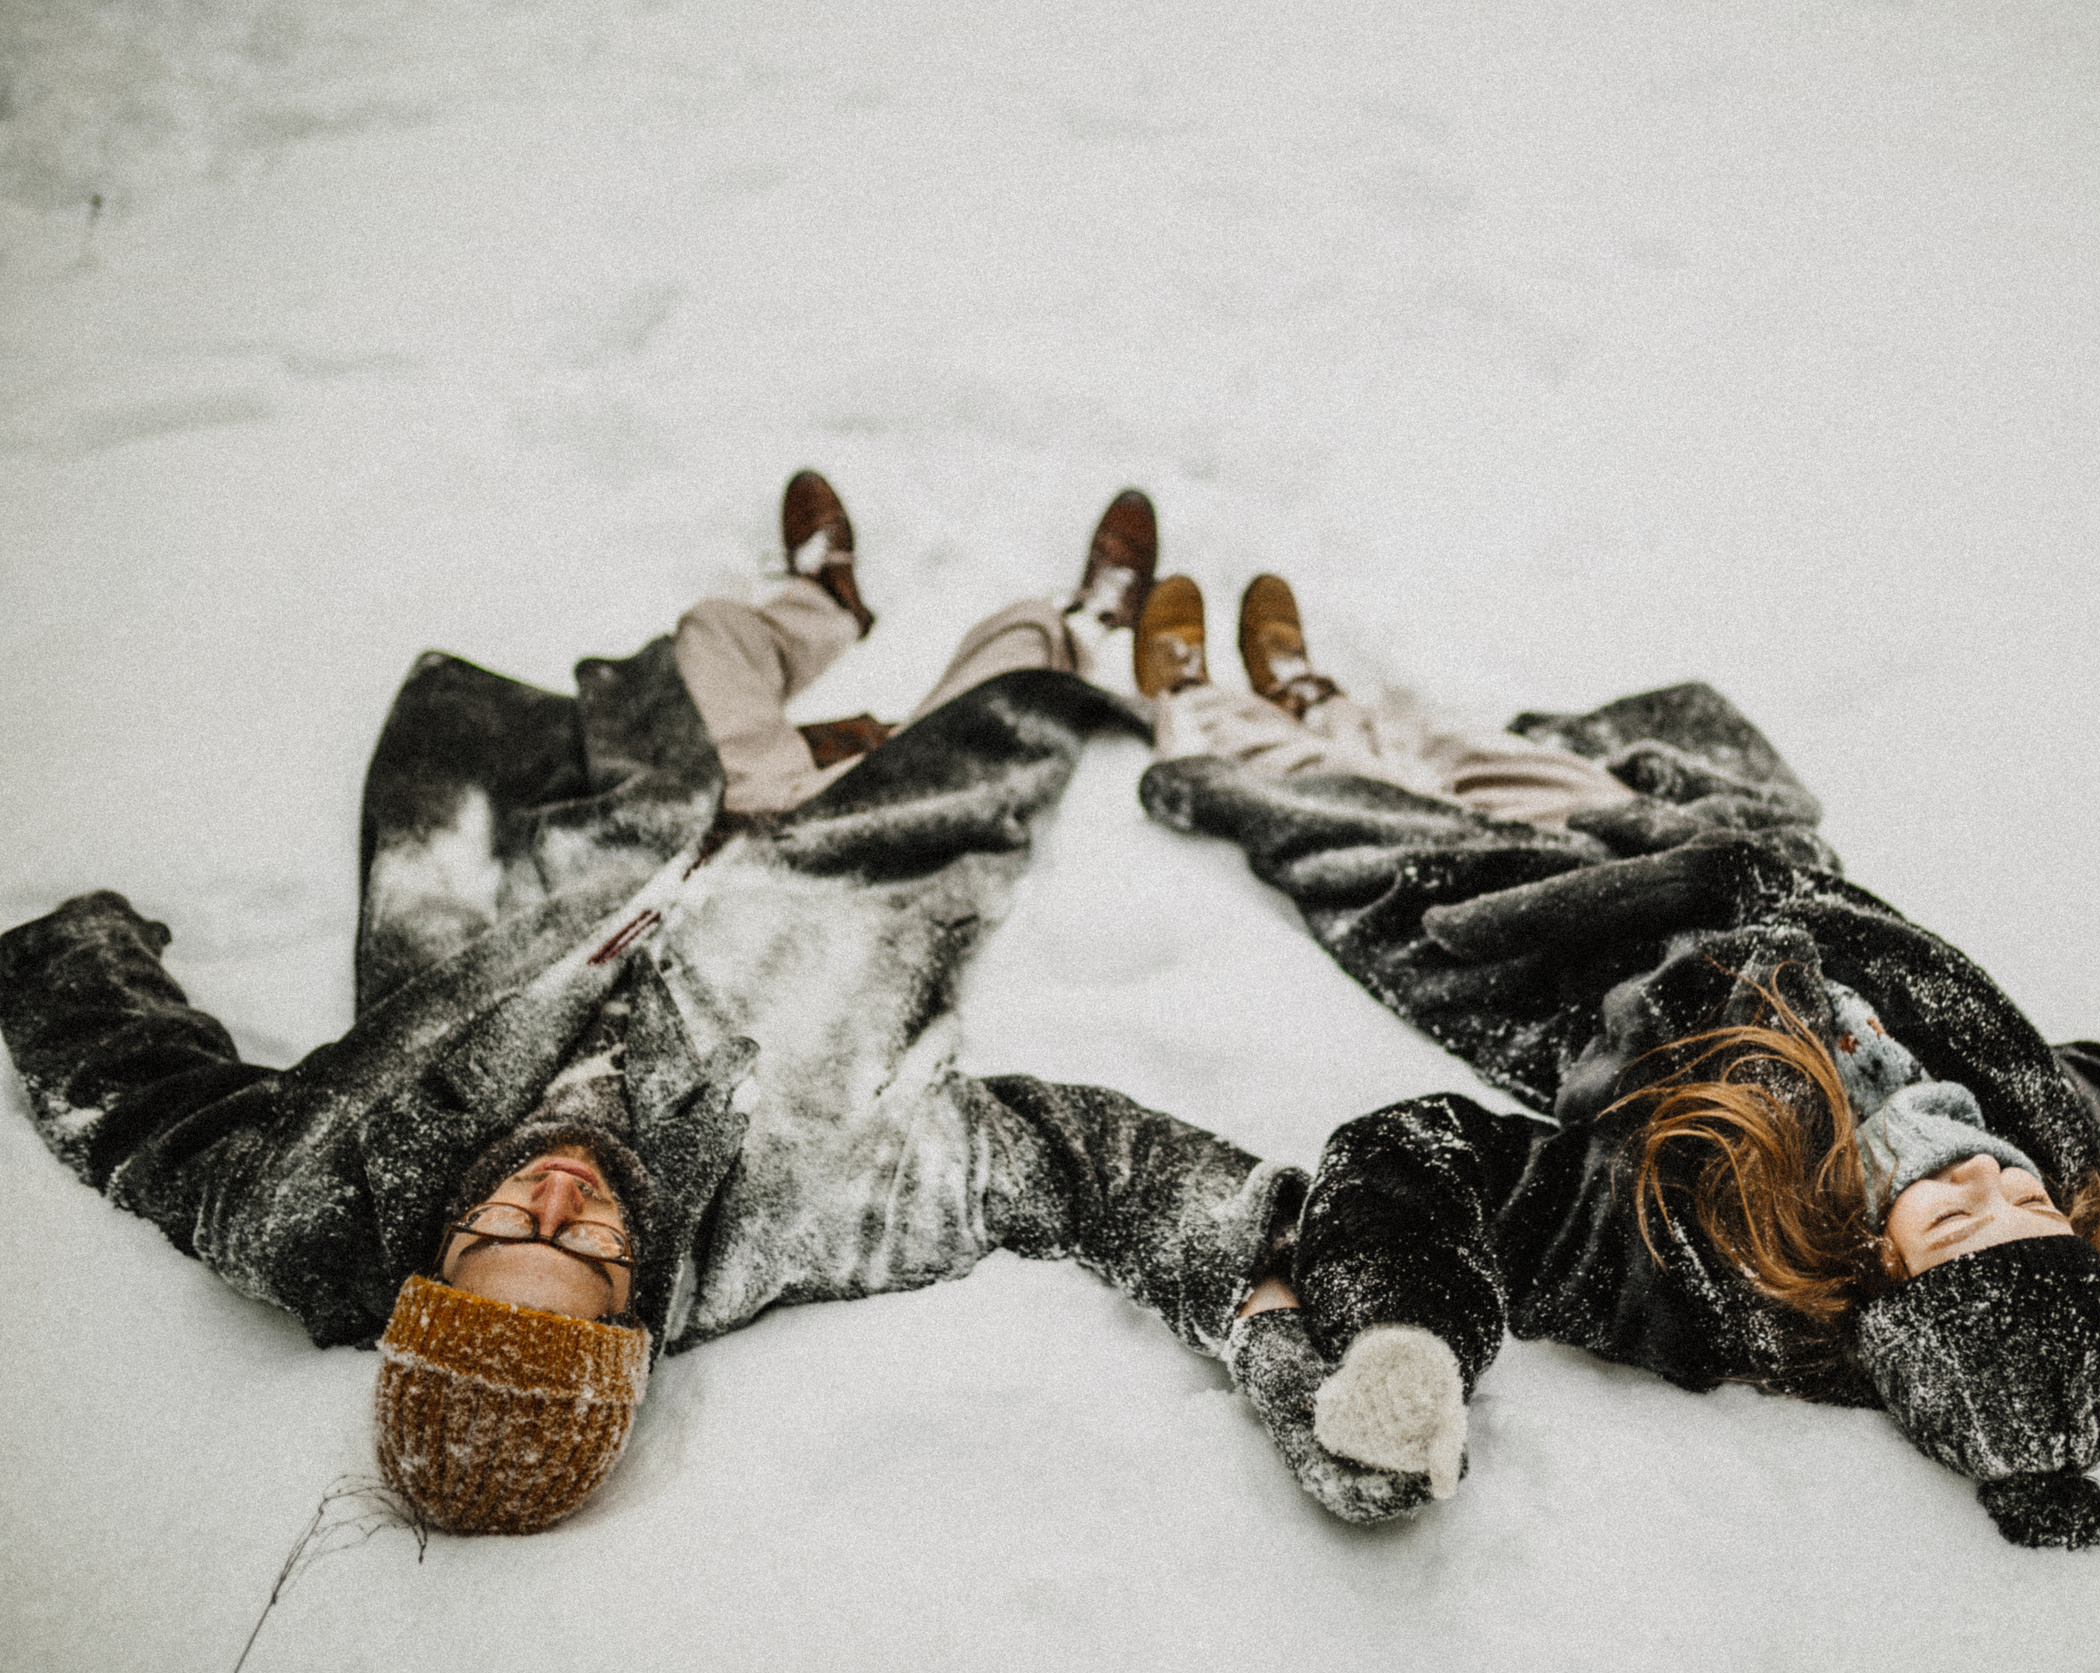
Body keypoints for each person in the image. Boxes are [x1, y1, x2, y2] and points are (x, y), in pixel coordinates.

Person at [1127, 572, 2100, 1547]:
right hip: (1716, 860)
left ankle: (1233, 714)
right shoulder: (2082, 1145)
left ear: (1884, 1267)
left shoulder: (1705, 1244)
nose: (1988, 1175)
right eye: (2026, 1207)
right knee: (1514, 762)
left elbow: (1428, 1163)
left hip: (1537, 928)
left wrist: (1411, 1337)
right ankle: (1329, 692)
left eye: (1955, 1216)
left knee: (1336, 815)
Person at [0, 477, 1311, 1536]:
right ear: (635, 1314)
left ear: (431, 1262)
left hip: (633, 839)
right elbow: (1073, 1166)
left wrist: (55, 955)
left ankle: (816, 600)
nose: (558, 1199)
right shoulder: (800, 1213)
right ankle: (1083, 615)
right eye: (584, 1254)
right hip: (854, 860)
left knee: (703, 646)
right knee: (1011, 690)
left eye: (507, 1225)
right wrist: (1257, 1311)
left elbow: (129, 1096)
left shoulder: (314, 1212)